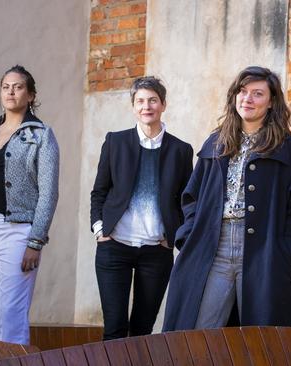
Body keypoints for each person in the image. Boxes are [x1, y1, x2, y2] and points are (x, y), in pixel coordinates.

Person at [163, 66, 291, 331]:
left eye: (257, 94)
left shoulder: (289, 149)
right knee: (199, 331)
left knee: (262, 339)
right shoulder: (216, 142)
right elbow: (192, 196)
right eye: (242, 92)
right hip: (213, 246)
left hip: (264, 251)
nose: (248, 99)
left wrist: (287, 253)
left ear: (271, 102)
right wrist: (189, 235)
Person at [90, 76, 193, 340]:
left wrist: (174, 237)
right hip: (114, 247)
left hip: (155, 252)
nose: (146, 106)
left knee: (142, 331)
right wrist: (99, 228)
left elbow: (187, 200)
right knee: (114, 328)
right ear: (133, 106)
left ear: (163, 105)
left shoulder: (181, 150)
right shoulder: (115, 142)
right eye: (140, 101)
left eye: (152, 101)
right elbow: (99, 191)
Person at [0, 65, 59, 345]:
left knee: (13, 314)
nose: (11, 91)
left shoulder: (41, 135)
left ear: (30, 95)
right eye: (5, 86)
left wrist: (35, 241)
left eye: (18, 87)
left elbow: (49, 193)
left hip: (18, 232)